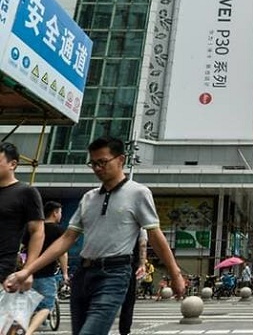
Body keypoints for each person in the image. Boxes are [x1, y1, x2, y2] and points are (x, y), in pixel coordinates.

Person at [3, 136, 185, 335]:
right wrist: (27, 270)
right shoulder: (88, 198)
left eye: (103, 162)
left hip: (114, 274)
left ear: (120, 160)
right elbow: (66, 239)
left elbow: (155, 235)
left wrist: (175, 274)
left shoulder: (138, 193)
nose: (98, 168)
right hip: (83, 274)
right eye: (93, 163)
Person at [0, 142, 45, 288]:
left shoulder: (26, 192)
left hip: (3, 266)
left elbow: (37, 231)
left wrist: (28, 270)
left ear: (12, 164)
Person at [23, 201, 69, 335]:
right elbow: (62, 254)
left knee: (28, 304)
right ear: (55, 213)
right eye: (60, 212)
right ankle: (29, 331)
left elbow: (22, 249)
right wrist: (65, 273)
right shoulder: (59, 231)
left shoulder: (34, 229)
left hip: (28, 273)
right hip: (46, 274)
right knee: (47, 305)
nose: (60, 215)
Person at [119, 228, 148, 335]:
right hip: (130, 264)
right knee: (128, 301)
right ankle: (125, 331)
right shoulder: (140, 229)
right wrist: (142, 264)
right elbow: (143, 245)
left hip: (109, 263)